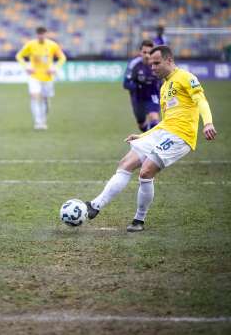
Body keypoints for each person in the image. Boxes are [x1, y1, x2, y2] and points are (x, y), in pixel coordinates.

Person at [85, 46, 217, 232]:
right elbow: (167, 121)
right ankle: (95, 205)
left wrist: (208, 123)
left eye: (156, 63)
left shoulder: (186, 77)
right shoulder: (164, 86)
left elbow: (201, 101)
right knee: (125, 163)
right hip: (163, 132)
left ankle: (139, 220)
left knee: (146, 172)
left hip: (180, 136)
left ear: (169, 60)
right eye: (151, 63)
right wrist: (144, 135)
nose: (152, 67)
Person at [16, 26, 67, 130]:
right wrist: (26, 67)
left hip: (48, 77)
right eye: (39, 34)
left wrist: (55, 68)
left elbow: (62, 57)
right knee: (34, 97)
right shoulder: (31, 45)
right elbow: (19, 56)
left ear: (46, 34)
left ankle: (43, 120)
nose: (41, 36)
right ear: (37, 34)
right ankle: (38, 122)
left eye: (43, 33)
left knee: (45, 99)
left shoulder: (52, 45)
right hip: (34, 76)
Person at [123, 39, 161, 132]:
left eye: (150, 52)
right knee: (141, 123)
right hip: (138, 97)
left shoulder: (158, 63)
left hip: (153, 94)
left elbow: (163, 80)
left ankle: (155, 142)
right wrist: (138, 85)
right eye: (144, 52)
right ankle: (147, 134)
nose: (147, 55)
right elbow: (125, 84)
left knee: (154, 117)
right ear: (140, 52)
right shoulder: (134, 64)